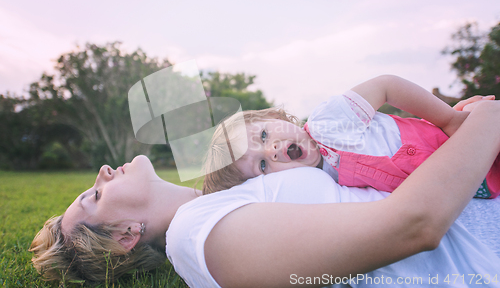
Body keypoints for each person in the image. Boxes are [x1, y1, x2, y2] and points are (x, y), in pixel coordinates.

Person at [30, 97, 500, 287]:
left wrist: (448, 133)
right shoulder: (198, 235)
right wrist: (484, 125)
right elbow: (413, 226)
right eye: (93, 196)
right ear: (125, 236)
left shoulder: (229, 193)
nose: (104, 170)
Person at [202, 75, 500, 198]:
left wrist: (451, 119)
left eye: (264, 135)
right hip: (468, 178)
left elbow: (386, 85)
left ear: (277, 118)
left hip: (452, 139)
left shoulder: (326, 124)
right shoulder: (319, 186)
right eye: (262, 165)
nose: (273, 150)